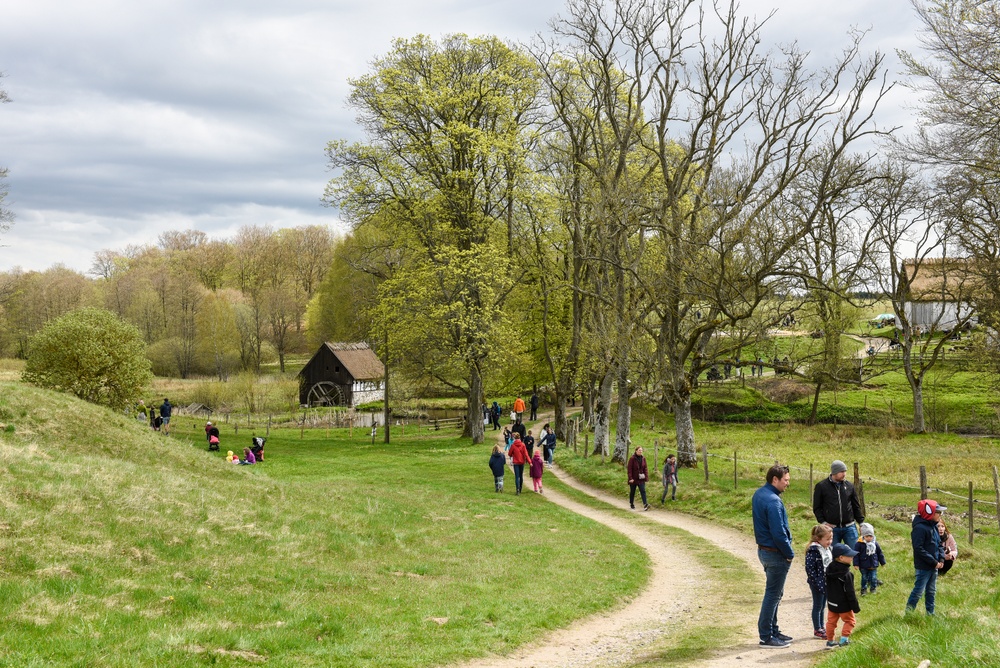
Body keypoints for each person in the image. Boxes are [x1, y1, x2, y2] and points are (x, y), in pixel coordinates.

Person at [752, 463, 794, 648]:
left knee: (775, 593)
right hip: (775, 553)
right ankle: (766, 636)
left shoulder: (759, 494)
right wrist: (789, 553)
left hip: (764, 551)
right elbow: (778, 533)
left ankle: (773, 630)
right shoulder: (774, 501)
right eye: (785, 480)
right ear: (774, 479)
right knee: (773, 594)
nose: (787, 484)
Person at [906, 498, 946, 616]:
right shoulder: (919, 529)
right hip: (924, 567)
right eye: (938, 512)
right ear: (929, 513)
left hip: (934, 566)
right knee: (918, 591)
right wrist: (934, 562)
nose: (940, 515)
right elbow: (919, 549)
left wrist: (941, 558)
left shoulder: (933, 526)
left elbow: (939, 543)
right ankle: (909, 614)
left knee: (931, 591)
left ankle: (930, 613)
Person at [813, 460, 864, 545]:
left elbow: (856, 506)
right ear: (834, 472)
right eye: (841, 472)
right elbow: (817, 507)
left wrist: (861, 523)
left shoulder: (849, 486)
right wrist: (823, 522)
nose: (844, 474)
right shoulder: (821, 487)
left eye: (845, 471)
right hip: (832, 528)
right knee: (833, 555)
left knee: (855, 553)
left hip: (849, 527)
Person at [825, 543, 861, 648]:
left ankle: (830, 641)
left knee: (831, 622)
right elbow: (850, 592)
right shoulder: (847, 574)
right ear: (841, 557)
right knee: (850, 621)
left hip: (831, 602)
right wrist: (855, 607)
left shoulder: (828, 569)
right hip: (844, 605)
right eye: (849, 556)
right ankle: (844, 640)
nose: (852, 557)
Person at [805, 524, 833, 640]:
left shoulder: (828, 549)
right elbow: (809, 569)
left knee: (823, 605)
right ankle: (817, 629)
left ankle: (822, 627)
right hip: (817, 583)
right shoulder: (813, 551)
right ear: (818, 539)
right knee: (817, 605)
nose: (830, 541)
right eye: (827, 539)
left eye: (831, 538)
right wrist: (816, 581)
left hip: (827, 582)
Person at [853, 522, 886, 595]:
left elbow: (879, 553)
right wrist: (856, 564)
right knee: (864, 578)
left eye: (871, 536)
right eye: (867, 536)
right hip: (863, 565)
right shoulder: (859, 544)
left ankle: (873, 589)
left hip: (873, 564)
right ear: (863, 536)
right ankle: (863, 590)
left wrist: (882, 562)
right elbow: (856, 555)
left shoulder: (875, 544)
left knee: (873, 578)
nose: (869, 538)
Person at [626, 446, 650, 511]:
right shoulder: (632, 459)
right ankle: (631, 503)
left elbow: (645, 468)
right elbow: (629, 469)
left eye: (641, 450)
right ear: (636, 451)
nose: (640, 451)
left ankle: (645, 504)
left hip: (641, 478)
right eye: (639, 450)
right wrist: (630, 478)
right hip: (634, 478)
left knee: (643, 490)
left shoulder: (643, 458)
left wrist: (646, 477)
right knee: (632, 491)